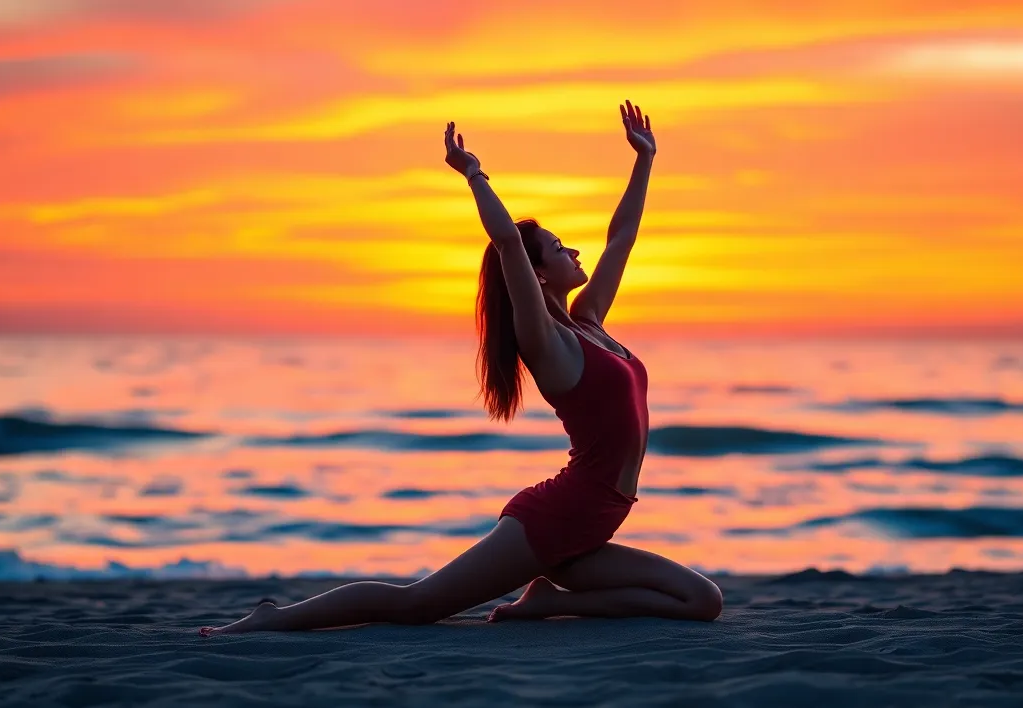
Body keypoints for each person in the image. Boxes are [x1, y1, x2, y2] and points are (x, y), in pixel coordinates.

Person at [199, 100, 722, 635]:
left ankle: (542, 602)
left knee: (703, 600)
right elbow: (508, 243)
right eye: (560, 248)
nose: (575, 252)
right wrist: (475, 176)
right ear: (538, 276)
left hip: (596, 520)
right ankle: (272, 618)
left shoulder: (591, 321)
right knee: (417, 605)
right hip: (557, 520)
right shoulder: (547, 343)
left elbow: (622, 238)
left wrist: (645, 161)